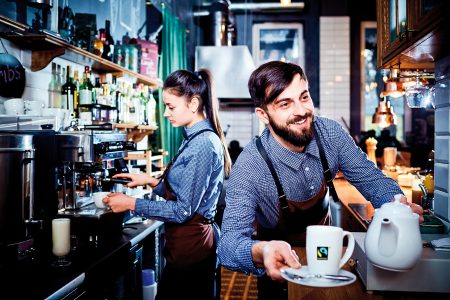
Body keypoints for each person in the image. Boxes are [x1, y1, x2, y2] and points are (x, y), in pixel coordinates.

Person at [217, 61, 423, 300]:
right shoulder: (250, 166)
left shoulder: (330, 134)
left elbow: (371, 179)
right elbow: (228, 245)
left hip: (327, 264)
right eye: (285, 104)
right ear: (264, 115)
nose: (301, 111)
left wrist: (396, 203)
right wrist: (262, 250)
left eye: (304, 97)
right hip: (279, 271)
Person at [103, 69, 231, 300]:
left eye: (170, 106)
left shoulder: (203, 144)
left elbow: (183, 210)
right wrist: (151, 181)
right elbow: (187, 193)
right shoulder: (193, 138)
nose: (165, 113)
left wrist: (132, 203)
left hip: (193, 250)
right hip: (186, 248)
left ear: (193, 103)